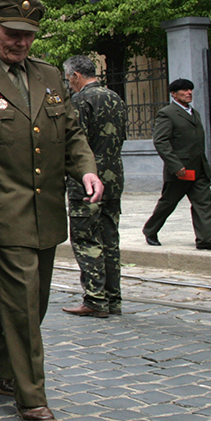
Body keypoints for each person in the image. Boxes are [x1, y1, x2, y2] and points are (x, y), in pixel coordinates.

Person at [0, 0, 102, 421]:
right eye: (12, 34)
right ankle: (31, 395)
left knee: (34, 302)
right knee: (23, 307)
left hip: (46, 210)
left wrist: (87, 170)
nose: (20, 43)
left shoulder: (49, 76)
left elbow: (71, 135)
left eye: (28, 36)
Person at [61, 55, 127, 318]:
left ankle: (95, 299)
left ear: (75, 75)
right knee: (110, 237)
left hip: (87, 179)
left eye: (69, 79)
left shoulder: (80, 100)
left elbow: (76, 142)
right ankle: (114, 298)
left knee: (86, 238)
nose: (69, 84)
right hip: (114, 176)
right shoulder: (115, 97)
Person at [143, 79, 211, 251]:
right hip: (181, 170)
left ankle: (206, 240)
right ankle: (150, 230)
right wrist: (176, 165)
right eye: (184, 90)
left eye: (190, 89)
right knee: (168, 203)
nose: (188, 93)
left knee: (203, 204)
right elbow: (161, 142)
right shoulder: (167, 113)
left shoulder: (194, 113)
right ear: (174, 94)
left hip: (199, 168)